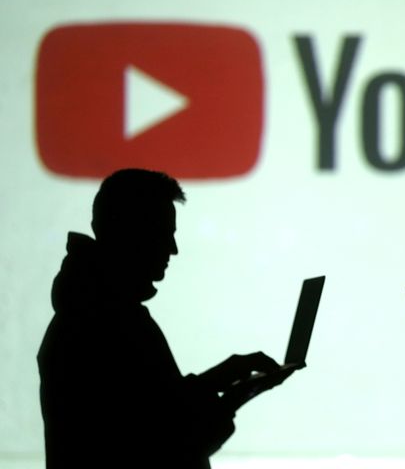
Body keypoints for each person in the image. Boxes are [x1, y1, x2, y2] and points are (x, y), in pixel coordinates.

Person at [37, 168, 297, 468]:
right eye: (163, 234)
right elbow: (166, 441)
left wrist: (224, 380)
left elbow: (156, 414)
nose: (173, 249)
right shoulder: (112, 323)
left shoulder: (93, 313)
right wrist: (232, 393)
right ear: (130, 233)